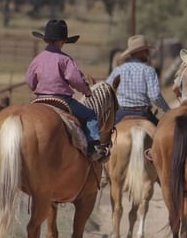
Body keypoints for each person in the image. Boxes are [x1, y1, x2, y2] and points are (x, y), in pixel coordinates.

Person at [25, 19, 108, 162]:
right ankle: (94, 147)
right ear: (62, 41)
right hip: (62, 100)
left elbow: (29, 80)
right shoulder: (65, 60)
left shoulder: (37, 59)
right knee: (90, 116)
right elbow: (75, 79)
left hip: (40, 99)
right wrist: (86, 91)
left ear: (46, 40)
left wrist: (37, 89)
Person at [106, 34, 170, 125]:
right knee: (161, 134)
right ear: (139, 52)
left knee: (105, 137)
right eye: (146, 50)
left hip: (121, 114)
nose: (148, 52)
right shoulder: (148, 70)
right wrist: (167, 109)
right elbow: (155, 96)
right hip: (143, 113)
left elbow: (106, 90)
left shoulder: (118, 70)